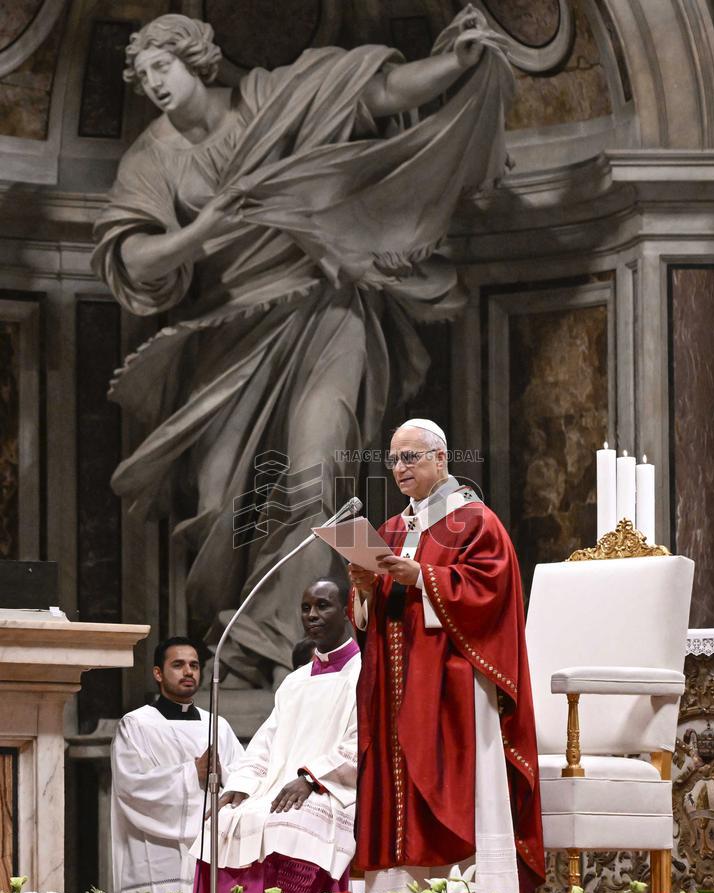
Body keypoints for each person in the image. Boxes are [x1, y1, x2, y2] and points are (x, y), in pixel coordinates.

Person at [92, 9, 515, 681]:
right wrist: (202, 232)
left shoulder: (272, 97)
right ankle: (247, 633)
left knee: (317, 476)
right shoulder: (154, 155)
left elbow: (375, 91)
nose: (155, 85)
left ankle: (288, 645)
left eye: (162, 68)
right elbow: (134, 258)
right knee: (220, 505)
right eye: (143, 77)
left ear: (198, 59)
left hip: (325, 309)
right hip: (228, 333)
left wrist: (457, 63)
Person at [348, 419, 545, 893]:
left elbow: (490, 594)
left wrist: (422, 576)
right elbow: (372, 620)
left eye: (410, 457)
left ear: (441, 459)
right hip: (398, 686)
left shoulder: (476, 521)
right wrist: (365, 591)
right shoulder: (392, 529)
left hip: (451, 686)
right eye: (394, 459)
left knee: (451, 791)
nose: (400, 467)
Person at [191, 578, 360, 893]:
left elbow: (361, 743)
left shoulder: (363, 673)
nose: (312, 615)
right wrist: (240, 784)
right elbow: (266, 743)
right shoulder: (294, 682)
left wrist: (311, 778)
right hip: (278, 786)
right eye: (306, 608)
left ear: (347, 611)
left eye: (323, 606)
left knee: (293, 820)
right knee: (222, 821)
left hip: (331, 789)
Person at [110, 636, 244, 893]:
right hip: (155, 853)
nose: (188, 672)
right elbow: (131, 787)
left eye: (194, 665)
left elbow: (244, 782)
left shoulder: (217, 724)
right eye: (178, 665)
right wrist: (191, 773)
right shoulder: (136, 724)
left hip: (209, 850)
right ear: (158, 673)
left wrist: (223, 774)